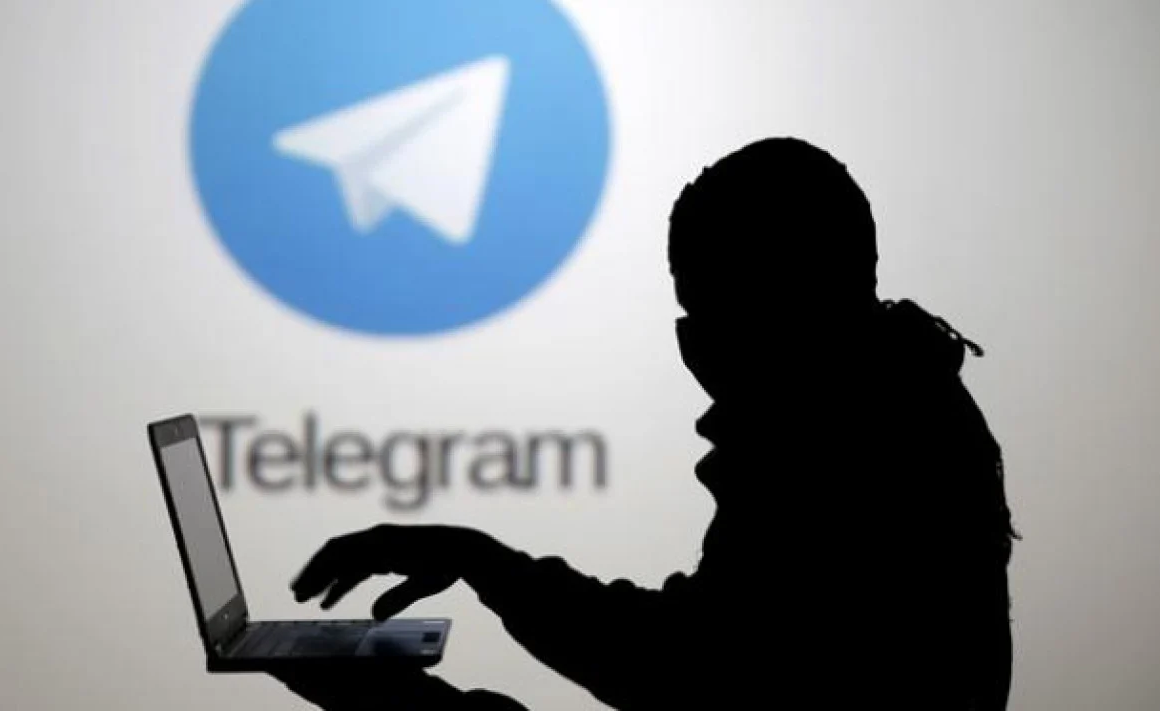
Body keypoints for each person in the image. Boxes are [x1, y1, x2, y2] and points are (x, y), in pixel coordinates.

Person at [271, 137, 1020, 710]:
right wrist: (478, 562)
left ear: (783, 301)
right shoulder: (898, 407)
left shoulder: (840, 451)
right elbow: (700, 653)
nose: (700, 353)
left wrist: (408, 698)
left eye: (714, 315)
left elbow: (681, 670)